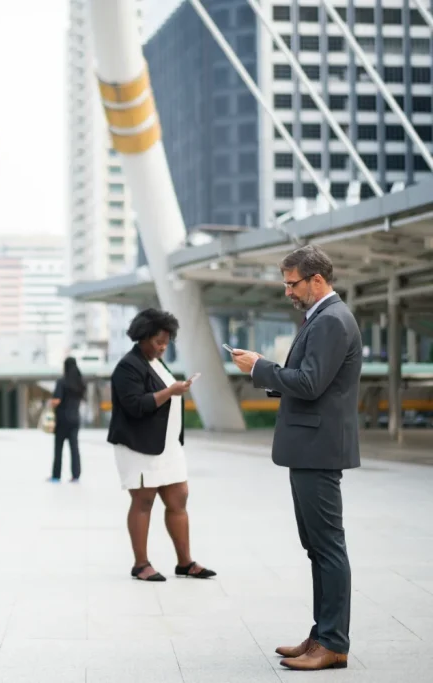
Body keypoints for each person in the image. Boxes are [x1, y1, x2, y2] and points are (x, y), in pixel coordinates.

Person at [232, 244, 361, 671]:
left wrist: (259, 367)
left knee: (327, 547)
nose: (288, 291)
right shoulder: (322, 319)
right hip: (312, 446)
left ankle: (334, 643)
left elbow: (309, 384)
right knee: (317, 547)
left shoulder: (331, 320)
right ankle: (321, 634)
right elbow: (309, 381)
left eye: (292, 284)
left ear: (317, 280)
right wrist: (265, 373)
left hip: (318, 449)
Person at [107, 308, 216, 583]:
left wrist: (174, 389)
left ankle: (185, 562)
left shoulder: (156, 362)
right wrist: (170, 391)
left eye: (167, 341)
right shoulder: (128, 367)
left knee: (179, 499)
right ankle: (141, 564)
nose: (163, 346)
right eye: (158, 341)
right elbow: (135, 406)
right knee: (143, 502)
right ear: (142, 337)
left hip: (166, 446)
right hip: (138, 446)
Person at [49, 356, 86, 482]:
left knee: (58, 448)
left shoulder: (62, 382)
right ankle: (76, 475)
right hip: (75, 418)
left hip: (62, 419)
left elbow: (56, 400)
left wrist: (51, 403)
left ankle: (56, 476)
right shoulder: (80, 383)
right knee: (74, 448)